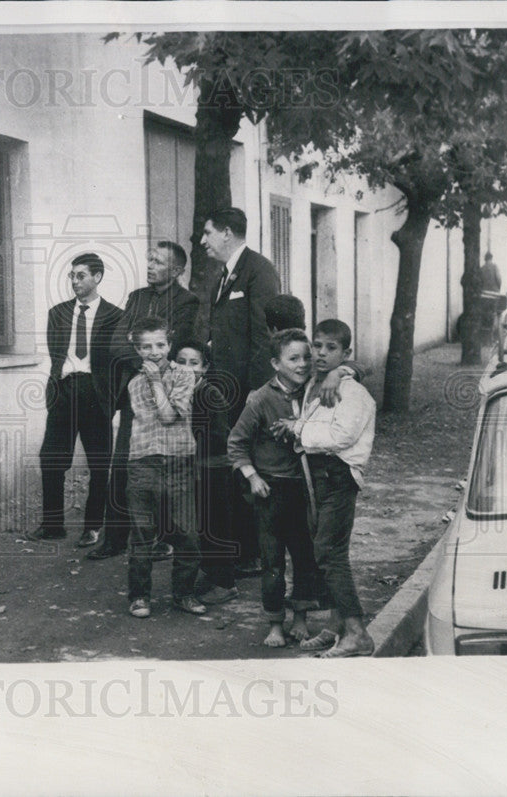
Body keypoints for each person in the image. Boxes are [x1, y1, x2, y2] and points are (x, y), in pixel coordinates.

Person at [88, 241, 200, 561]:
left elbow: (176, 345)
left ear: (176, 270)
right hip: (134, 397)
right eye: (149, 259)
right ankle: (114, 540)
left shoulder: (187, 301)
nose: (149, 265)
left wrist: (140, 348)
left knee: (163, 467)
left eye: (158, 262)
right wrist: (147, 360)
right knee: (123, 464)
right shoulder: (137, 297)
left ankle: (163, 539)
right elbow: (116, 344)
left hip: (168, 399)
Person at [272, 319, 376, 657]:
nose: (320, 353)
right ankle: (336, 626)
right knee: (327, 553)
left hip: (338, 476)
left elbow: (341, 436)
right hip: (317, 475)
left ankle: (357, 632)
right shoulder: (318, 383)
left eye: (330, 348)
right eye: (317, 346)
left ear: (345, 354)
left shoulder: (353, 391)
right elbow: (319, 422)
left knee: (330, 554)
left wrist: (300, 433)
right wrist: (297, 424)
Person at [227, 329, 326, 645]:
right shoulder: (260, 398)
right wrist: (253, 477)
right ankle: (274, 623)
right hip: (271, 491)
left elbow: (354, 370)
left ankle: (300, 618)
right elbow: (236, 443)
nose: (302, 364)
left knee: (305, 557)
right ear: (275, 363)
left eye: (306, 357)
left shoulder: (315, 392)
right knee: (272, 562)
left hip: (306, 489)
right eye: (293, 358)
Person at [200, 208, 281, 579]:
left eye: (208, 232)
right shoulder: (222, 274)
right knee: (232, 469)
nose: (203, 241)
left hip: (246, 394)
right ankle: (237, 546)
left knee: (249, 468)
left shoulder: (258, 270)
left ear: (227, 232)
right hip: (224, 391)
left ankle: (254, 553)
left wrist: (257, 391)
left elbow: (264, 337)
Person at [27, 253, 122, 546]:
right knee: (51, 459)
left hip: (96, 394)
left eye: (81, 276)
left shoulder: (115, 315)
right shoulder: (57, 313)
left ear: (97, 277)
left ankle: (92, 527)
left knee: (99, 463)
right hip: (65, 391)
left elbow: (117, 361)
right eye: (72, 276)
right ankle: (53, 525)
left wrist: (110, 397)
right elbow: (57, 356)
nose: (75, 282)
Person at [124, 316, 204, 618]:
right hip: (143, 463)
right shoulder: (134, 384)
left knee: (187, 532)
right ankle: (140, 597)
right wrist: (153, 382)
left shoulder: (184, 374)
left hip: (178, 461)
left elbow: (170, 416)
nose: (154, 352)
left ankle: (183, 594)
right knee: (142, 534)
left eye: (160, 344)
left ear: (169, 344)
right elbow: (155, 417)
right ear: (138, 350)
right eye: (146, 347)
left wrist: (157, 380)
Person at [173, 341, 238, 605]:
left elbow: (220, 437)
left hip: (212, 470)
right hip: (191, 469)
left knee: (216, 527)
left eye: (194, 363)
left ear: (206, 367)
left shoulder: (210, 394)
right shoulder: (176, 392)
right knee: (198, 525)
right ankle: (210, 574)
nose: (187, 368)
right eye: (181, 361)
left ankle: (225, 583)